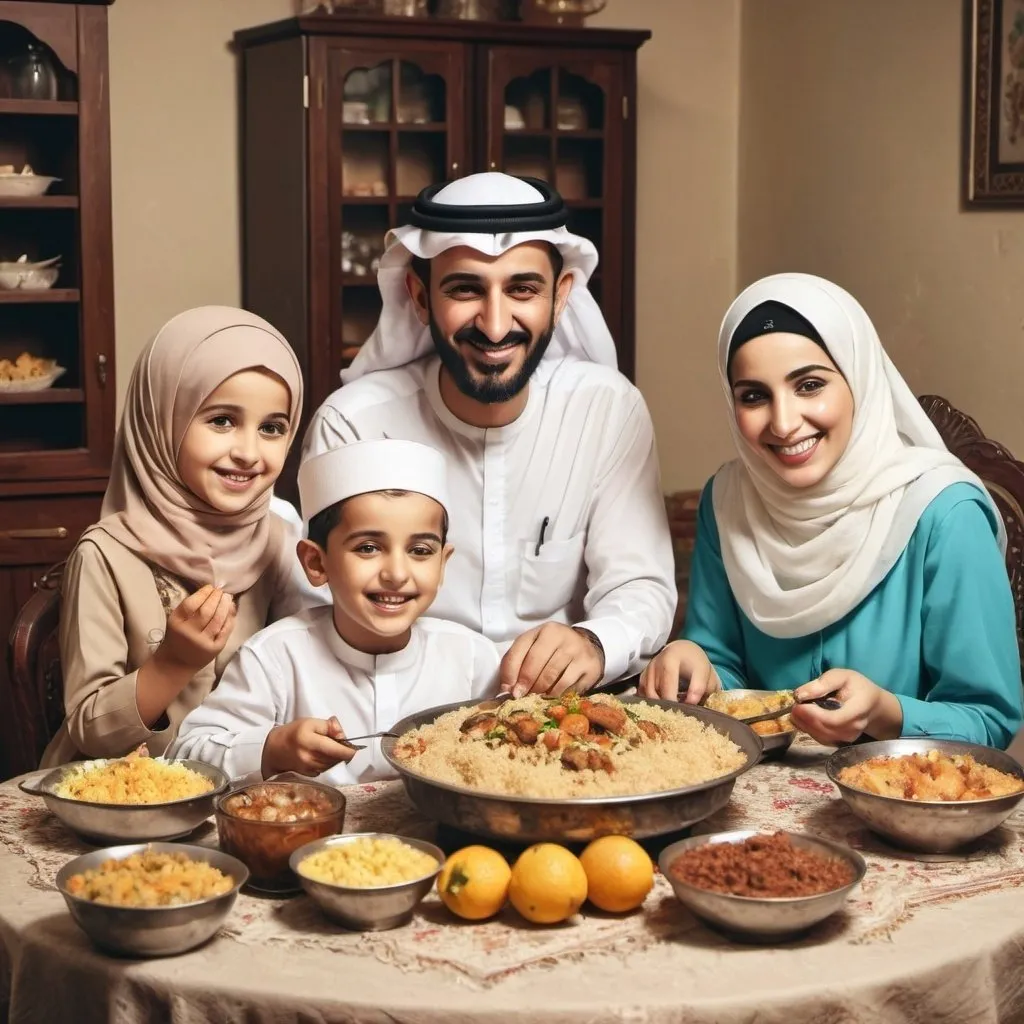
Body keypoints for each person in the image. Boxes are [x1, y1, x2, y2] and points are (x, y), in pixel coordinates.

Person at [303, 172, 676, 698]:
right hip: (395, 717)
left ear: (561, 295)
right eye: (466, 289)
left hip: (564, 715)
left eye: (522, 288)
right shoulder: (355, 424)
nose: (496, 325)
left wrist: (593, 642)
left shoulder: (606, 408)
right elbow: (321, 610)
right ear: (419, 295)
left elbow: (640, 585)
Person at [642, 273, 1023, 749]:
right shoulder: (727, 501)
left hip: (904, 799)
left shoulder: (944, 513)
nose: (783, 423)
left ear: (859, 379)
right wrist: (691, 662)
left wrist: (887, 712)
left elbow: (989, 719)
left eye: (809, 385)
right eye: (754, 396)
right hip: (758, 797)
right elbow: (723, 669)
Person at [41, 307, 323, 767]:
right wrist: (173, 661)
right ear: (162, 418)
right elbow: (90, 732)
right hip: (119, 799)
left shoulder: (281, 542)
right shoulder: (105, 554)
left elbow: (305, 676)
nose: (248, 452)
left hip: (244, 793)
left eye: (272, 427)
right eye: (221, 420)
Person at [169, 439, 501, 785]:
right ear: (315, 562)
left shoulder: (473, 657)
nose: (397, 573)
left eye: (420, 550)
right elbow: (186, 754)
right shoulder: (275, 657)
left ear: (443, 563)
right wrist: (270, 750)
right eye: (368, 548)